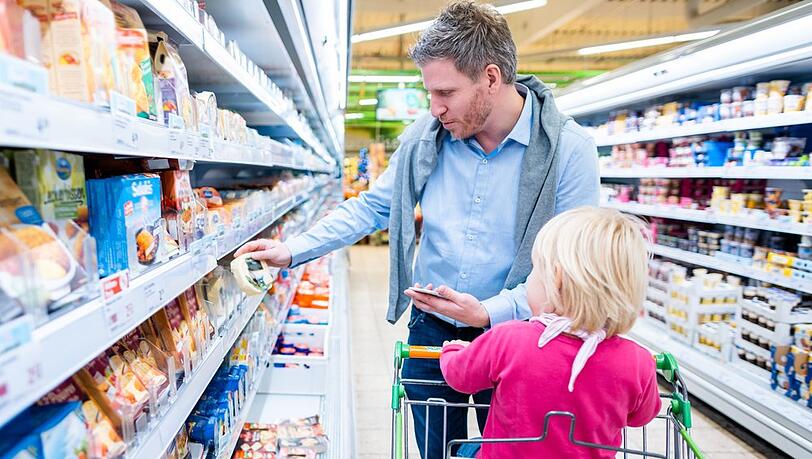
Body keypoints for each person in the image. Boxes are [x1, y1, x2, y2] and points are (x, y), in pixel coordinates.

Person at [234, 2, 599, 457]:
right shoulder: (426, 140)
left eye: (445, 92)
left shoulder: (569, 150)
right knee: (435, 450)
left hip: (521, 337)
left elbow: (576, 269)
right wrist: (292, 250)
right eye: (429, 92)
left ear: (490, 77)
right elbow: (372, 208)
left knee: (510, 451)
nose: (434, 108)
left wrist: (490, 313)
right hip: (433, 332)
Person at [440, 207, 662, 458]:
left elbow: (460, 376)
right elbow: (642, 415)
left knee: (466, 448)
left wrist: (453, 349)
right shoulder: (637, 362)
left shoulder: (509, 339)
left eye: (534, 270)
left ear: (555, 279)